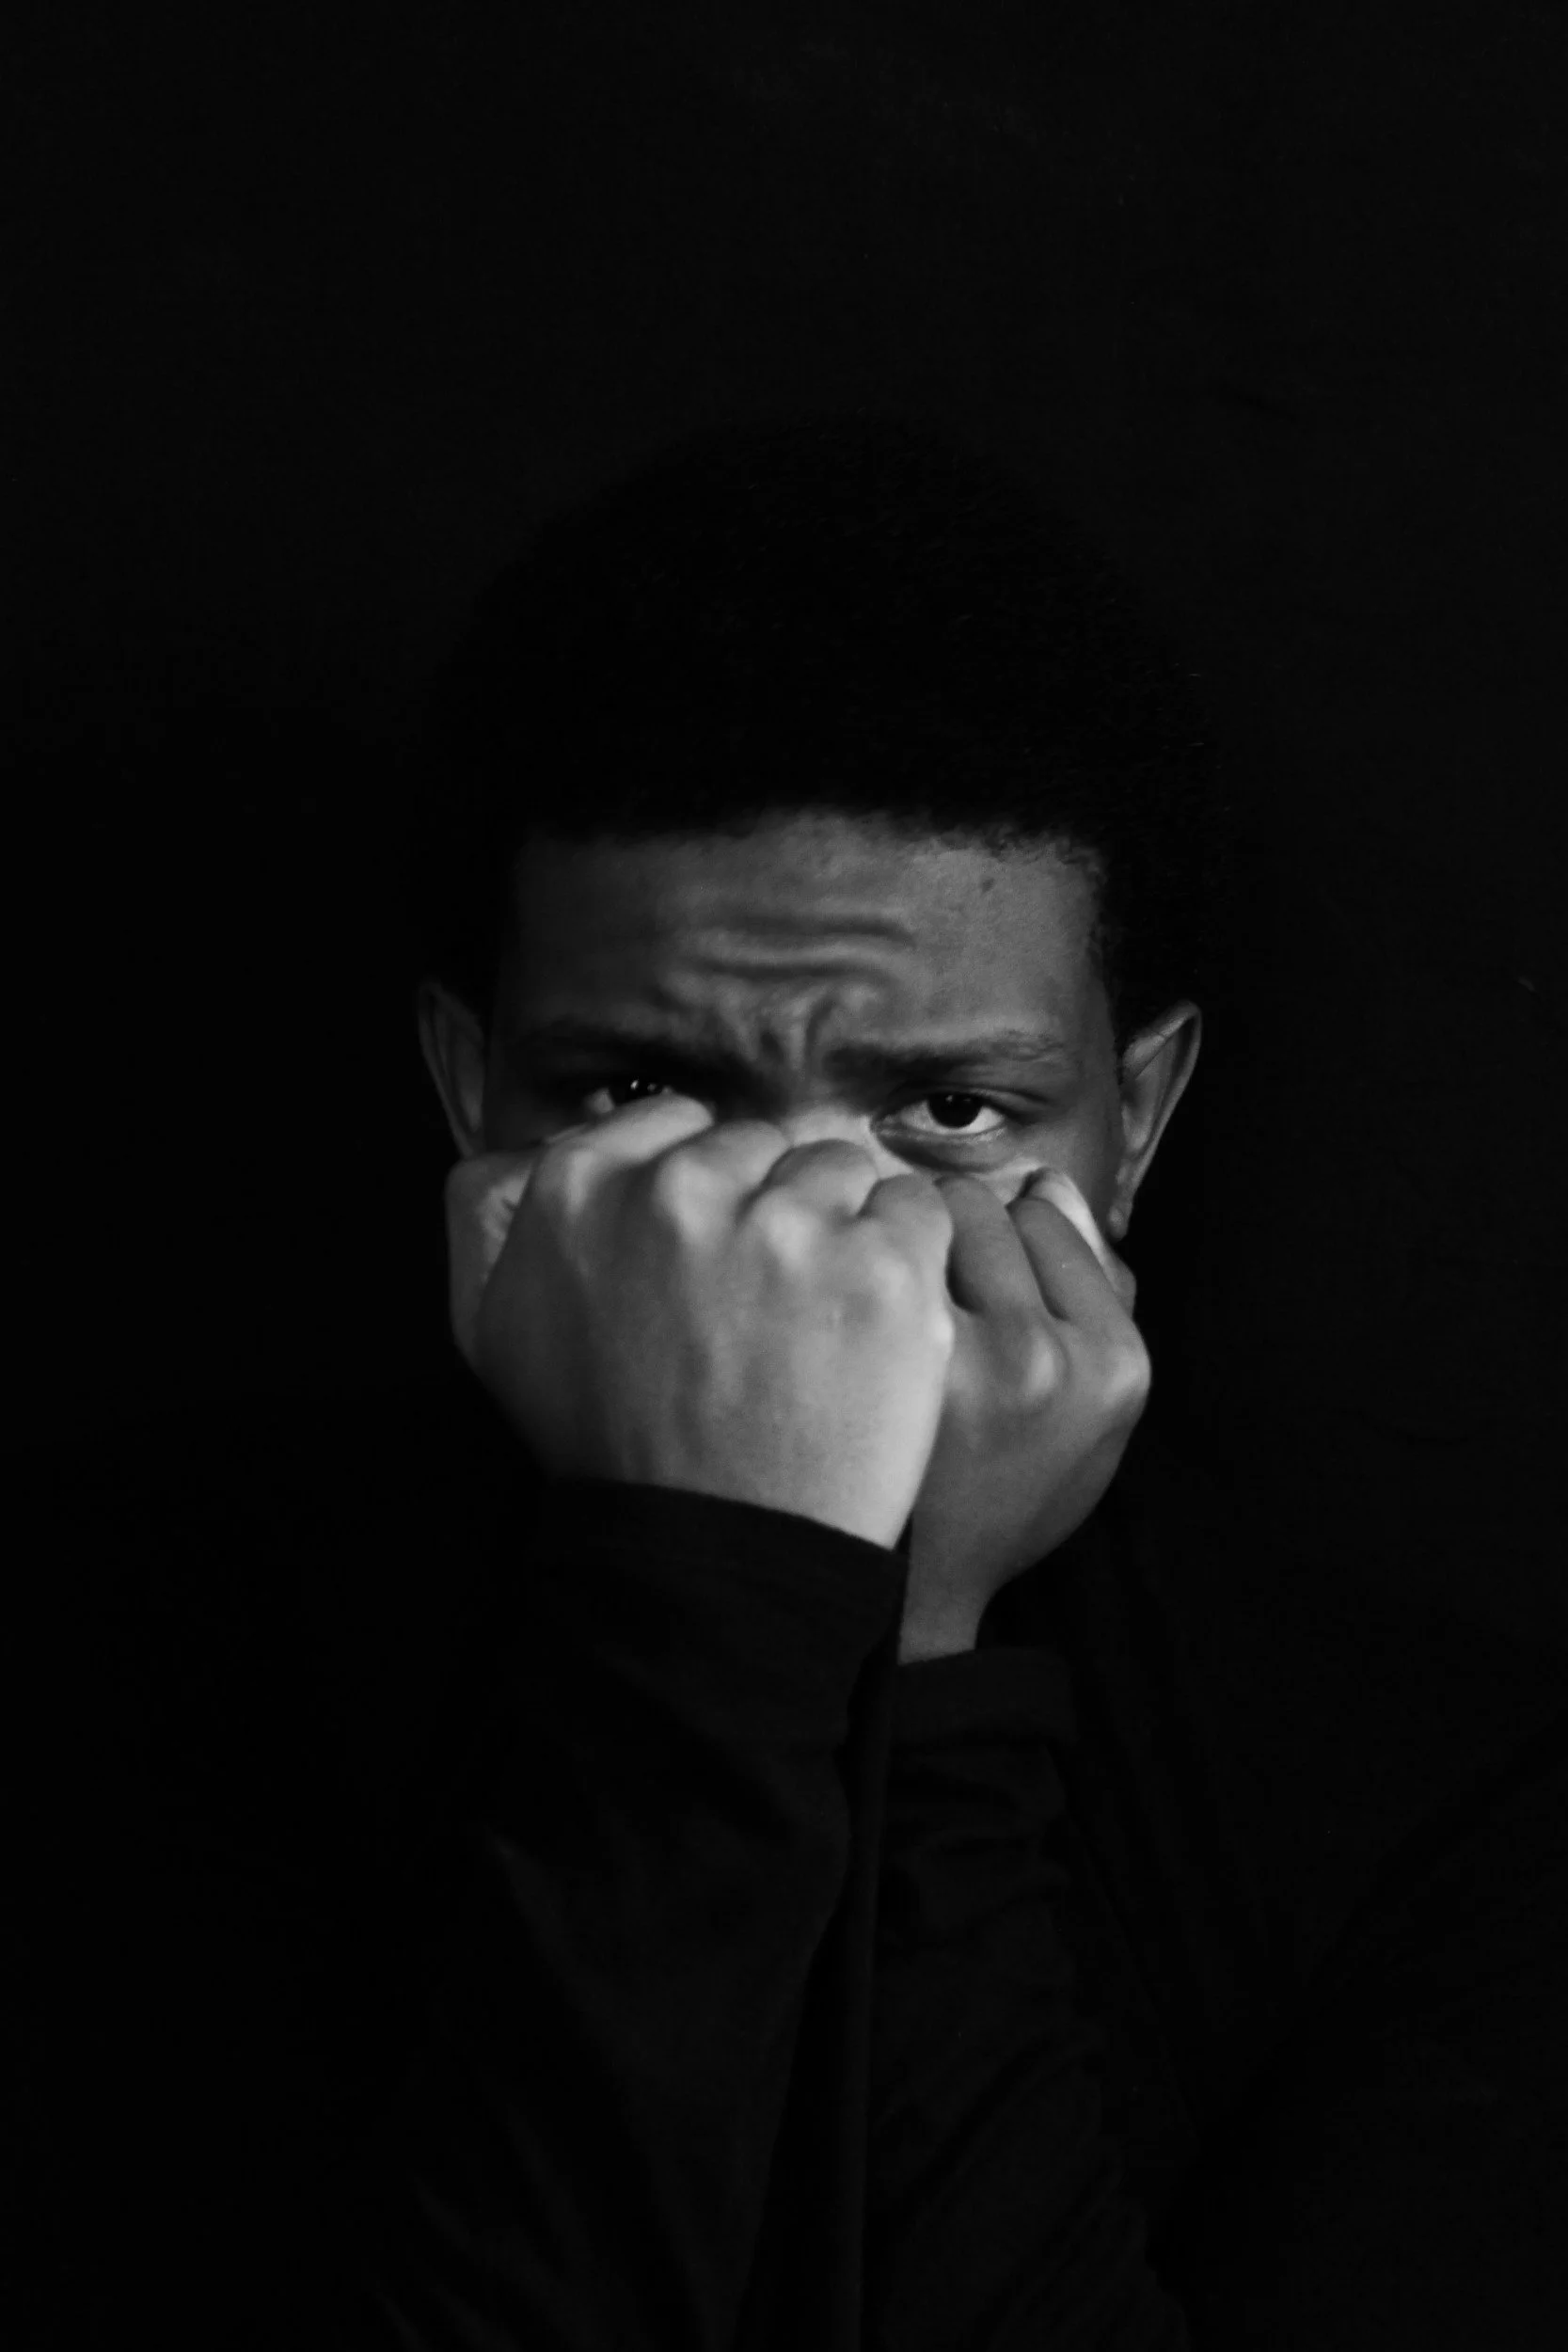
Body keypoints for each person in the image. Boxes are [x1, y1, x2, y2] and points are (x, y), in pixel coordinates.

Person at [16, 414, 1566, 2350]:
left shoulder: (1443, 1791)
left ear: (1137, 1121)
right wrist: (718, 1604)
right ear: (465, 1088)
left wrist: (907, 1660)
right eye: (637, 1090)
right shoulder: (101, 1656)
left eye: (949, 1109)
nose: (799, 1237)